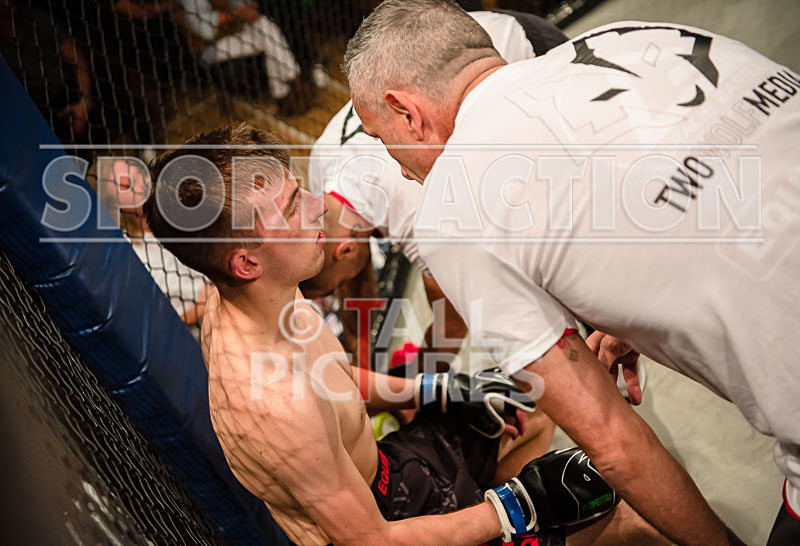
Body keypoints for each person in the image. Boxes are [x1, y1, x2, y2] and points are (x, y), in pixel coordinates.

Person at [343, 1, 800, 544]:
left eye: (380, 140)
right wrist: (632, 300)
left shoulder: (452, 207)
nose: (394, 165)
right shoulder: (628, 34)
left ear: (407, 111)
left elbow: (614, 444)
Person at [141, 123, 667, 545]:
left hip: (393, 471)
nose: (316, 206)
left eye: (297, 189)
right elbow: (370, 540)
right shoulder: (269, 402)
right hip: (384, 526)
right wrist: (514, 508)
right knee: (628, 526)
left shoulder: (257, 286)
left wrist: (436, 390)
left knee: (526, 411)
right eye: (289, 209)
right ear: (245, 260)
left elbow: (334, 376)